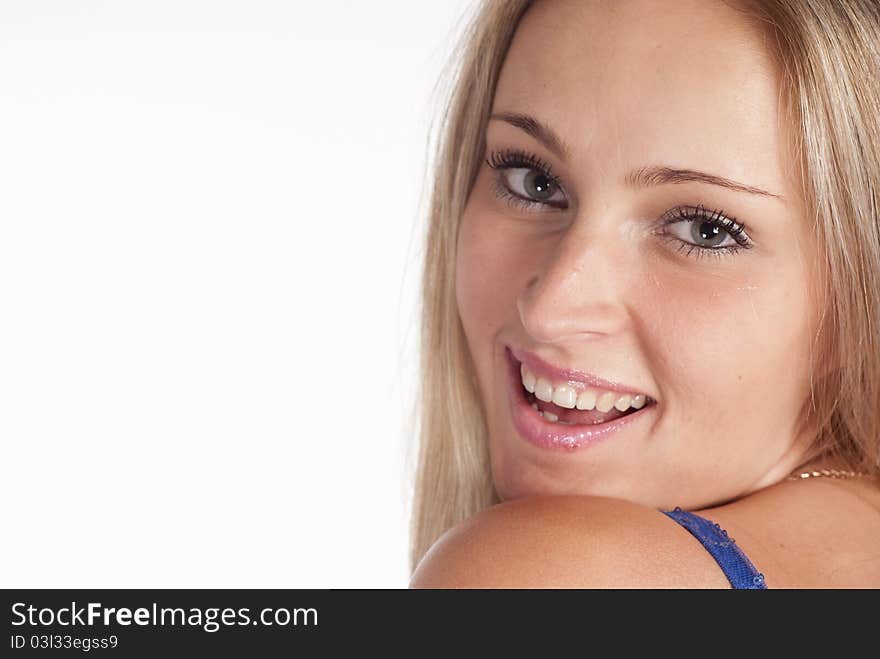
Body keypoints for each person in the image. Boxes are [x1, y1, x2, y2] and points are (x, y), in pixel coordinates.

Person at [408, 0, 880, 588]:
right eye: (533, 179)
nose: (551, 308)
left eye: (703, 229)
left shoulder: (541, 577)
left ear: (861, 297)